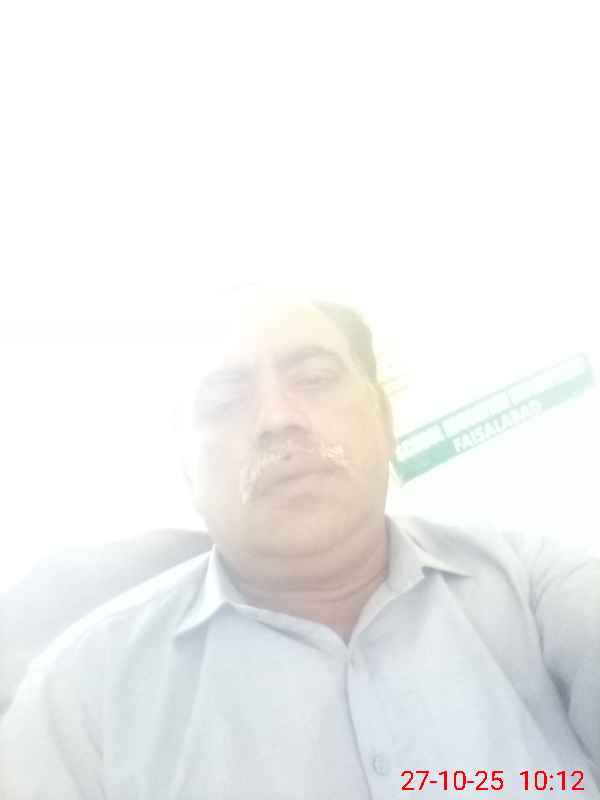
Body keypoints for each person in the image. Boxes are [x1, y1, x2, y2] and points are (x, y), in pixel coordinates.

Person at [1, 288, 599, 799]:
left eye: (314, 379)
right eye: (224, 402)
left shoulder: (532, 587)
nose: (276, 419)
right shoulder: (80, 697)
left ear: (384, 421)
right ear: (187, 472)